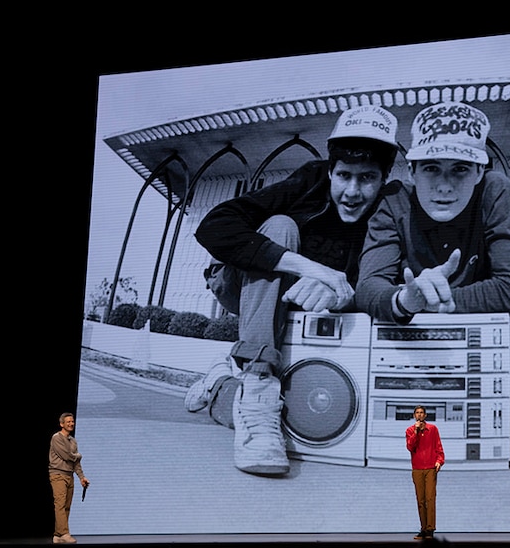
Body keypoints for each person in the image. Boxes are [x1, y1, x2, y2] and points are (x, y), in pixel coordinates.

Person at [185, 104, 400, 475]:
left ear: (383, 180)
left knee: (298, 411)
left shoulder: (389, 209)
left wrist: (342, 291)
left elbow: (374, 286)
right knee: (281, 225)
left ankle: (222, 384)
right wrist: (313, 269)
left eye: (366, 178)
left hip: (309, 302)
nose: (352, 191)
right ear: (330, 171)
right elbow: (213, 227)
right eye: (344, 175)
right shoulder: (309, 181)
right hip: (240, 283)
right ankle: (256, 384)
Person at [355, 101, 510, 320]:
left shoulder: (493, 190)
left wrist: (431, 301)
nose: (444, 186)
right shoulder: (395, 199)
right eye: (431, 168)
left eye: (460, 169)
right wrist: (404, 301)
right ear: (412, 172)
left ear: (479, 172)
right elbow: (367, 286)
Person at [48, 413, 90, 544]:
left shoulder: (73, 441)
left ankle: (58, 534)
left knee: (66, 505)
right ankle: (65, 533)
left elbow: (75, 462)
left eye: (72, 421)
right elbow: (67, 456)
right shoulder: (57, 438)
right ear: (62, 424)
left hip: (69, 475)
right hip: (58, 475)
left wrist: (81, 477)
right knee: (59, 504)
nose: (71, 424)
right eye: (68, 422)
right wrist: (78, 455)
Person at [406, 405, 444, 540]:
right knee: (421, 500)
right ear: (414, 415)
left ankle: (430, 529)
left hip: (430, 468)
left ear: (425, 415)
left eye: (422, 413)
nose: (420, 415)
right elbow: (410, 447)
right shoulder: (410, 430)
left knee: (430, 498)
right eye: (417, 413)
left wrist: (440, 460)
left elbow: (439, 447)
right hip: (417, 469)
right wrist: (416, 432)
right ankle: (423, 528)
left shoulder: (433, 429)